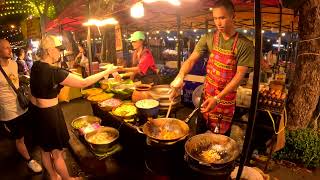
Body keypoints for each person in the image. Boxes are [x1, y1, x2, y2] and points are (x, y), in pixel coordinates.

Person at [29, 35, 118, 180]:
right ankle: (67, 179)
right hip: (50, 115)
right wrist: (107, 72)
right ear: (50, 50)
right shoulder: (53, 72)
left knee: (45, 150)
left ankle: (53, 176)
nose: (60, 52)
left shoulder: (35, 66)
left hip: (38, 113)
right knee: (57, 154)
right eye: (58, 49)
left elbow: (34, 94)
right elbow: (84, 83)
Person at [170, 0, 254, 135]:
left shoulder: (245, 44)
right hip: (206, 96)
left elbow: (239, 76)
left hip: (225, 101)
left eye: (222, 18)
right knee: (199, 135)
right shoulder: (209, 38)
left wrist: (218, 98)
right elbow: (191, 60)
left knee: (218, 143)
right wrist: (180, 76)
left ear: (233, 16)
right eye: (215, 18)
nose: (218, 23)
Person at [0, 39, 42, 173]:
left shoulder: (13, 64)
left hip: (22, 105)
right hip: (9, 112)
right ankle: (29, 161)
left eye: (9, 46)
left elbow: (15, 81)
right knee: (19, 138)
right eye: (6, 47)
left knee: (31, 131)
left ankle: (38, 153)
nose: (10, 49)